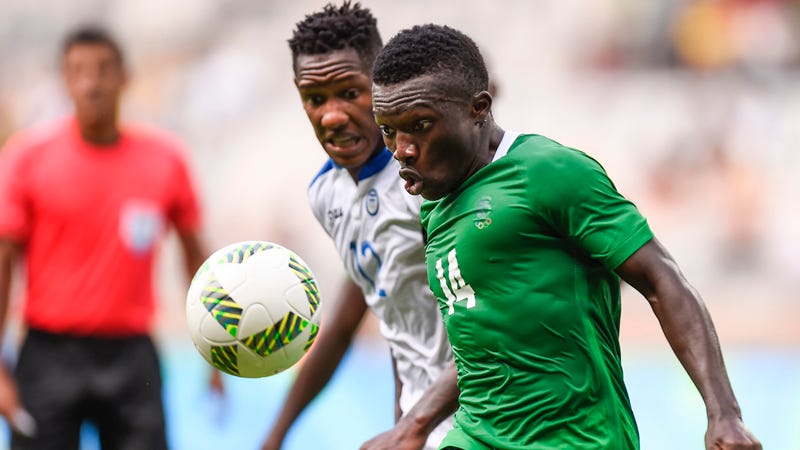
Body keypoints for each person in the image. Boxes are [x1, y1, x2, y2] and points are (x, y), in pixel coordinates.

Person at [371, 24, 762, 450]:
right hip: (476, 436)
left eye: (420, 125)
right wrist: (415, 424)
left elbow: (661, 279)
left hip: (578, 439)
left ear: (478, 108)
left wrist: (724, 413)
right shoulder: (433, 207)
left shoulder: (548, 172)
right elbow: (487, 346)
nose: (401, 149)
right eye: (389, 130)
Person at [0, 26, 217, 449]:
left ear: (125, 77)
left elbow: (194, 255)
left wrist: (215, 346)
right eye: (78, 71)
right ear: (63, 80)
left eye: (103, 69)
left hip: (132, 356)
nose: (91, 82)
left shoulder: (166, 160)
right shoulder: (26, 158)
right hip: (48, 354)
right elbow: (3, 263)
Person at [261, 3, 458, 450]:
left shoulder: (429, 181)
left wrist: (413, 425)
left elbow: (497, 323)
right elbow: (384, 312)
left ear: (381, 83)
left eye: (350, 92)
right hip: (420, 423)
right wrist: (275, 436)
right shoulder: (326, 195)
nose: (331, 115)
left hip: (483, 420)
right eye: (315, 98)